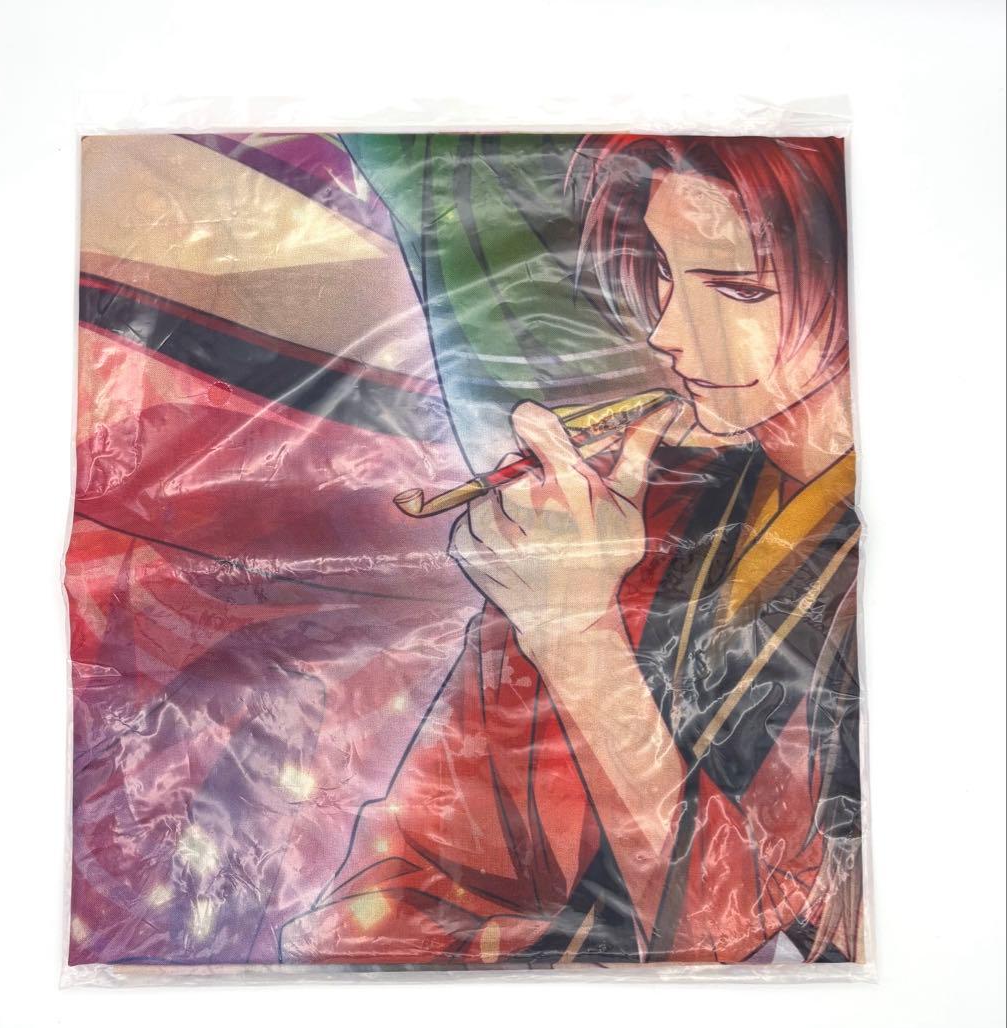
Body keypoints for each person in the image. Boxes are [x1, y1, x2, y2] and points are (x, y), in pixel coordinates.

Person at [279, 135, 862, 966]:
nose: (666, 333)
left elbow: (745, 935)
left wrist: (577, 633)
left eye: (739, 289)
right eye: (662, 272)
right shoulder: (629, 513)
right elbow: (411, 871)